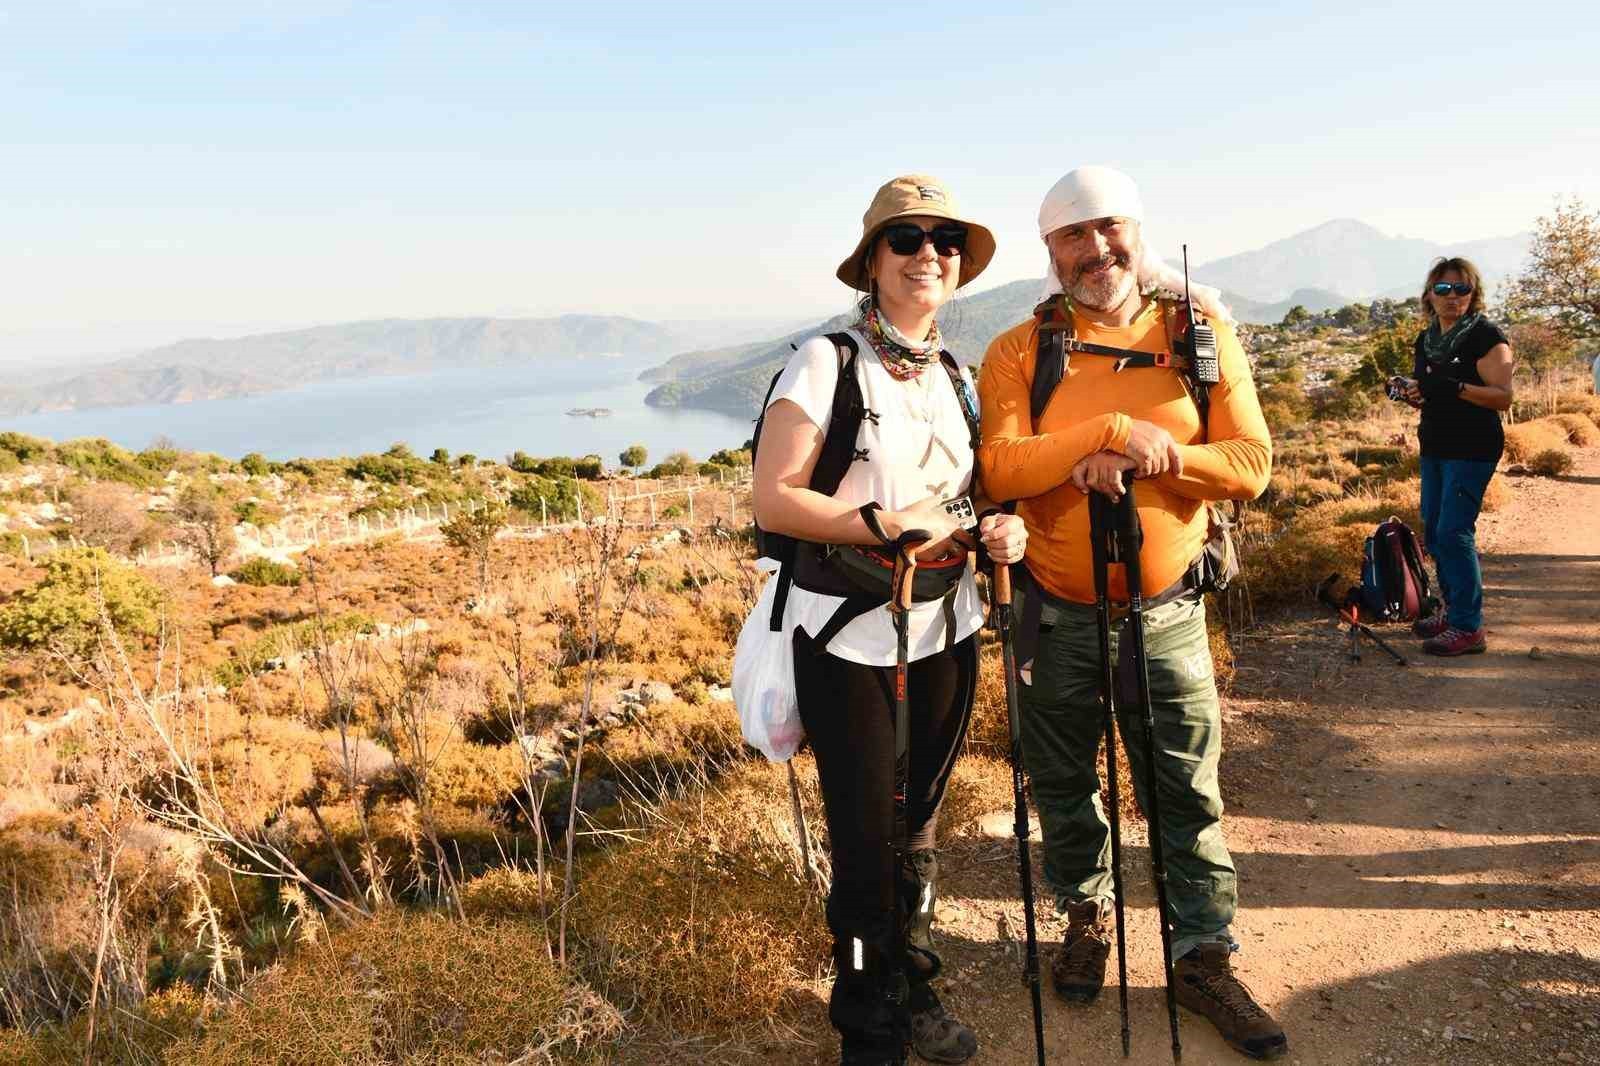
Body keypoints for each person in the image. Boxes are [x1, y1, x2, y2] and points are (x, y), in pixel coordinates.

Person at [977, 166, 1286, 1061]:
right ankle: (1086, 917)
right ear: (1050, 251)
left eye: (1110, 229)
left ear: (1137, 234)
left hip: (1167, 613)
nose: (1096, 249)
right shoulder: (1018, 350)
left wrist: (1156, 460)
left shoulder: (1199, 333)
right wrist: (1108, 436)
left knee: (1185, 789)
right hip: (1054, 612)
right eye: (1074, 235)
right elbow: (1000, 467)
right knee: (1065, 783)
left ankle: (1201, 955)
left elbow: (1251, 463)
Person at [752, 174, 1028, 1066]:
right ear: (871, 261)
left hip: (947, 627)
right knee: (866, 845)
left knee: (917, 828)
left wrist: (997, 527)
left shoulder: (952, 372)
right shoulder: (825, 362)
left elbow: (963, 489)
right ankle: (867, 1028)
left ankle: (911, 988)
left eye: (945, 242)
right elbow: (774, 497)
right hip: (850, 638)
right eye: (905, 240)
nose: (929, 256)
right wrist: (876, 525)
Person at [1396, 257, 1514, 656]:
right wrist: (1416, 393)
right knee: (1433, 530)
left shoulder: (1486, 337)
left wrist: (1454, 387)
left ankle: (1469, 627)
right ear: (1430, 295)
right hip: (1435, 444)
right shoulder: (1427, 339)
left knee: (1454, 532)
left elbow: (1503, 396)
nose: (1452, 298)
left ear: (1473, 293)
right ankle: (1452, 610)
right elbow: (1433, 390)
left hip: (1473, 447)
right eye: (1443, 290)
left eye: (1461, 289)